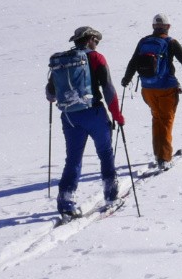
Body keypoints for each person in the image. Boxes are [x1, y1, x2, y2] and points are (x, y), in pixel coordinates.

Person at [46, 26, 125, 217]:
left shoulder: (62, 61)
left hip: (70, 117)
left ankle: (66, 202)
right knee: (105, 153)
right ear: (89, 39)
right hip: (94, 113)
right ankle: (111, 196)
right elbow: (108, 89)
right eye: (95, 40)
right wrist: (117, 115)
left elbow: (50, 94)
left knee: (73, 159)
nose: (96, 44)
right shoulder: (96, 58)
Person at [121, 14, 182, 171]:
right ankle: (165, 159)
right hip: (166, 88)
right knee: (166, 121)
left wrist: (126, 79)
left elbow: (133, 62)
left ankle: (159, 155)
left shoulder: (143, 41)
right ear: (168, 27)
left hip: (147, 89)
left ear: (153, 26)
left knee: (157, 119)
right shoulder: (170, 42)